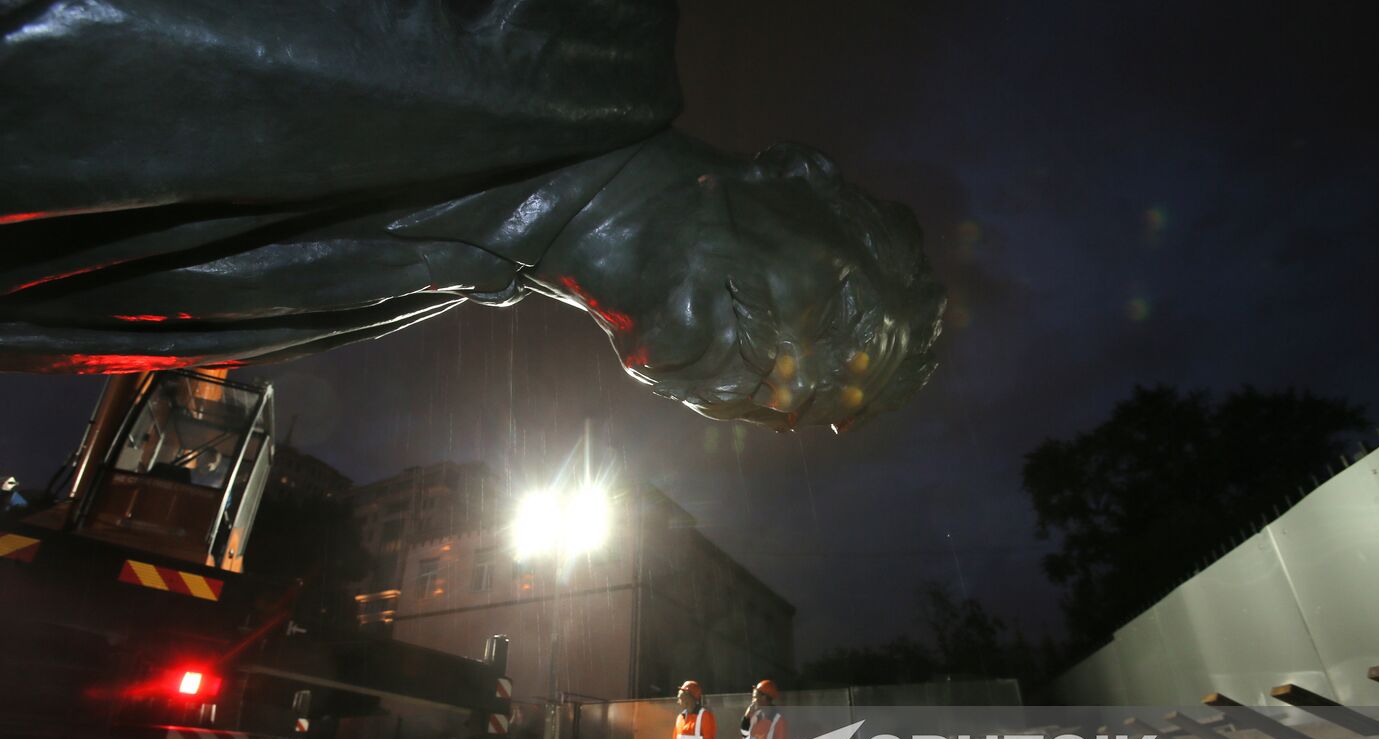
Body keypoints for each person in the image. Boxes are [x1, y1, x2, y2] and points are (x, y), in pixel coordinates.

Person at [0, 1, 944, 434]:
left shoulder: (425, 292)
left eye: (795, 403)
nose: (775, 377)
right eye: (831, 320)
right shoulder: (589, 25)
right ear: (797, 175)